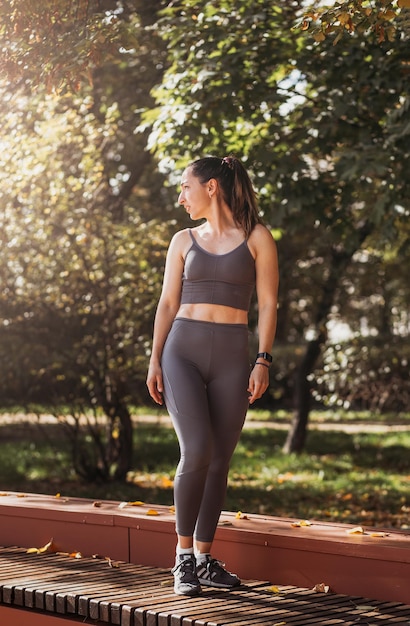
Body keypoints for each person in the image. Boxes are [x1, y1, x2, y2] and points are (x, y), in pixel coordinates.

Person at [146, 155, 279, 596]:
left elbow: (268, 303)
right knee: (197, 449)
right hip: (181, 351)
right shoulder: (182, 240)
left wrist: (263, 359)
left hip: (231, 355)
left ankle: (204, 558)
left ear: (212, 188)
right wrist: (154, 359)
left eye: (185, 187)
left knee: (220, 459)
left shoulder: (257, 237)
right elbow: (167, 304)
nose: (180, 196)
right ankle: (182, 558)